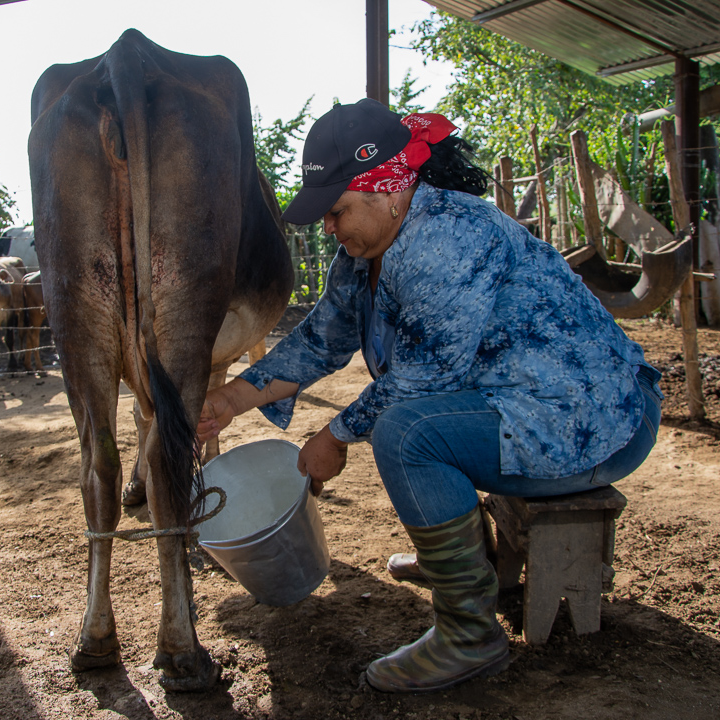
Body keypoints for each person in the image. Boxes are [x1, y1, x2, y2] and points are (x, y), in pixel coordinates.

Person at [196, 98, 661, 692]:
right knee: (409, 425)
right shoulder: (362, 253)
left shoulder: (448, 236)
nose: (330, 229)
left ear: (388, 191)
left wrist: (334, 435)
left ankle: (470, 635)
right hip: (518, 407)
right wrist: (233, 398)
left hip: (589, 419)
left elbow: (427, 372)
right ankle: (456, 559)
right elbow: (323, 337)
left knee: (407, 433)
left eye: (337, 212)